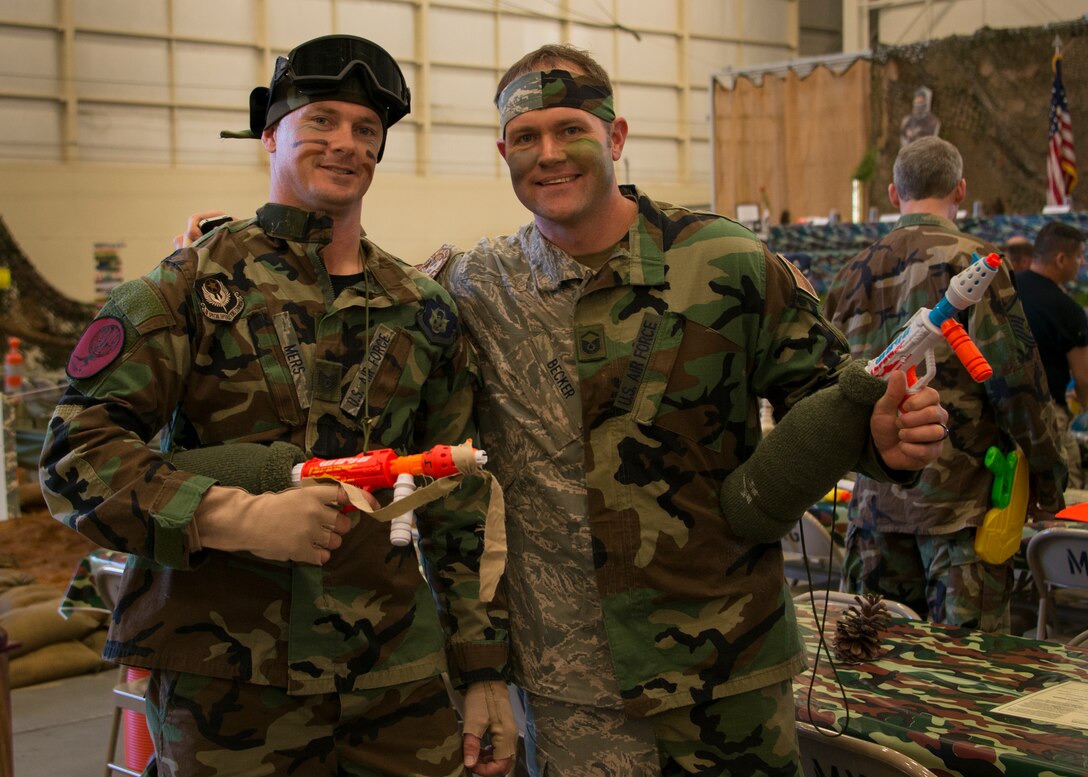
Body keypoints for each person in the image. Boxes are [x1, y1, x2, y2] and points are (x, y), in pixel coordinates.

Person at [179, 44, 949, 776]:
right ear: (503, 152)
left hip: (731, 664)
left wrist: (883, 439)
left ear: (615, 134)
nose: (548, 153)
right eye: (525, 136)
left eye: (571, 130)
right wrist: (241, 255)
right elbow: (357, 313)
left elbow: (829, 397)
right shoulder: (473, 286)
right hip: (570, 681)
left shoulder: (728, 261)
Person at [39, 34, 514, 777]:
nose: (345, 143)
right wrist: (237, 515)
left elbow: (453, 502)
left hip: (393, 677)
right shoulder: (188, 288)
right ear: (271, 133)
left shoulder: (422, 310)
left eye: (366, 130)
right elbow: (74, 456)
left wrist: (482, 666)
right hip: (229, 684)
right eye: (321, 119)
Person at [824, 135, 1067, 633]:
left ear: (894, 195)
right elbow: (1019, 387)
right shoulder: (978, 266)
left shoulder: (851, 274)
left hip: (874, 509)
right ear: (960, 189)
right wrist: (1050, 480)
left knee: (871, 677)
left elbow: (828, 388)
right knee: (963, 684)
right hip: (960, 515)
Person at [1015, 222, 1088, 488]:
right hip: (1047, 414)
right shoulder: (1067, 309)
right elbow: (1084, 377)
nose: (1080, 263)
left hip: (1000, 411)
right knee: (1062, 490)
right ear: (1061, 259)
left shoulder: (1005, 287)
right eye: (1079, 256)